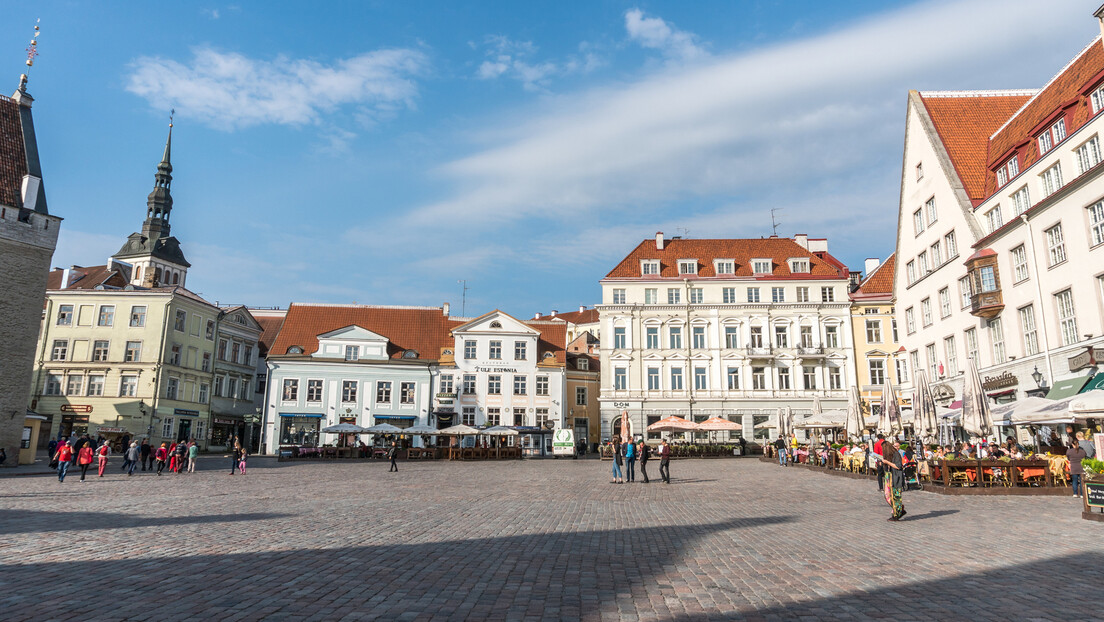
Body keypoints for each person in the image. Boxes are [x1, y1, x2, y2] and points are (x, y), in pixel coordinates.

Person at [879, 439, 906, 521]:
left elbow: (898, 466)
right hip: (889, 477)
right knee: (888, 495)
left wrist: (887, 462)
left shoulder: (896, 454)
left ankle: (897, 514)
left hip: (895, 477)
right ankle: (898, 509)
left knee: (895, 496)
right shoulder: (888, 455)